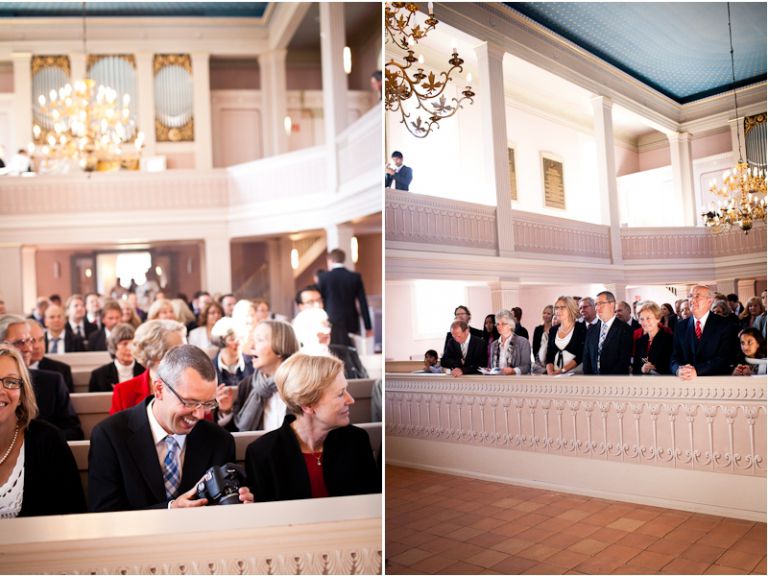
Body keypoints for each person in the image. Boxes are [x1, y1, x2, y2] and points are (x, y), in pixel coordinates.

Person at [88, 345, 254, 511]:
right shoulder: (109, 436)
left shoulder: (220, 441)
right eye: (190, 402)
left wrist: (239, 507)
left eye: (208, 404)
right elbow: (104, 514)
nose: (200, 415)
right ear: (159, 389)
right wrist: (170, 509)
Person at [245, 354, 379, 501]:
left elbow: (372, 504)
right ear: (308, 406)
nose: (351, 400)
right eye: (340, 394)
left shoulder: (357, 440)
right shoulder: (262, 453)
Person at [0, 345, 85, 517]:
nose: (1, 391)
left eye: (10, 381)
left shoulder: (48, 440)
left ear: (22, 392)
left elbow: (74, 515)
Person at [0, 315, 83, 440]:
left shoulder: (52, 382)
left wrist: (43, 442)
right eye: (19, 343)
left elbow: (74, 431)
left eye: (29, 341)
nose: (29, 348)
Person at [215, 320, 299, 433]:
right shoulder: (247, 385)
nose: (251, 346)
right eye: (253, 340)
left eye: (259, 340)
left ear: (280, 347)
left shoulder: (301, 385)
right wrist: (226, 411)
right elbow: (236, 435)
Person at [109, 319, 187, 414]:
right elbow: (116, 428)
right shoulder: (124, 392)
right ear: (156, 356)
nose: (186, 356)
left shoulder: (195, 385)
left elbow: (204, 426)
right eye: (179, 352)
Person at [671, 285, 738, 380]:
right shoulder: (680, 326)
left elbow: (724, 358)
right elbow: (674, 357)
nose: (692, 300)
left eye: (697, 296)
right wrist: (678, 370)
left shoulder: (724, 325)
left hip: (715, 384)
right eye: (690, 296)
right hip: (685, 383)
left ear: (710, 301)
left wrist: (697, 370)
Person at [292, 308, 369, 379]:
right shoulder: (296, 363)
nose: (327, 332)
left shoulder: (349, 353)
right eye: (319, 328)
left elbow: (366, 382)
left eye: (327, 326)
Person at [318, 249, 372, 347]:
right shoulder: (354, 277)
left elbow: (320, 301)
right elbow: (363, 303)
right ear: (343, 259)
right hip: (351, 321)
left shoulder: (323, 277)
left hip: (331, 321)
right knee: (351, 351)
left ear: (330, 260)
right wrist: (368, 327)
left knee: (333, 351)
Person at [583, 291, 633, 375]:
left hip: (614, 382)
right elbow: (586, 358)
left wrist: (607, 381)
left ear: (612, 304)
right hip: (593, 382)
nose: (597, 308)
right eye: (596, 304)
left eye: (601, 303)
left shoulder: (625, 329)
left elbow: (623, 361)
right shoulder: (591, 330)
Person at [89, 324, 145, 392]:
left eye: (133, 344)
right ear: (113, 347)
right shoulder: (99, 375)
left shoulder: (145, 371)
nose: (130, 348)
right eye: (124, 344)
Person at [27, 320, 74, 392]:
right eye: (32, 341)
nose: (37, 346)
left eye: (41, 339)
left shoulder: (61, 371)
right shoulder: (12, 370)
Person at [546, 296, 586, 375]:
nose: (558, 311)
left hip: (575, 375)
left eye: (562, 308)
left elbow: (581, 355)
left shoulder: (581, 328)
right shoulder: (553, 330)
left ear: (570, 309)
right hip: (555, 375)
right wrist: (550, 372)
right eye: (556, 308)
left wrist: (562, 371)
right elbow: (549, 355)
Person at [210, 317, 254, 388]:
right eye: (232, 339)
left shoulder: (253, 364)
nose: (238, 343)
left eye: (240, 338)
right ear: (221, 342)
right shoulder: (209, 368)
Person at [632, 301, 673, 375]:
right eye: (642, 319)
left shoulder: (669, 340)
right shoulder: (639, 342)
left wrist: (655, 368)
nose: (645, 322)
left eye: (648, 318)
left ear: (658, 319)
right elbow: (635, 368)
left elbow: (672, 366)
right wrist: (642, 369)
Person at [491, 309, 532, 375]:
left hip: (516, 383)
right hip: (497, 382)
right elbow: (494, 367)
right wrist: (490, 370)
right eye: (498, 324)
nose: (499, 326)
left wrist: (513, 371)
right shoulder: (494, 345)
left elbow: (526, 366)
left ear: (511, 325)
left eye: (503, 324)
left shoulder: (523, 342)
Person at [532, 305, 553, 374]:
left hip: (551, 362)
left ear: (553, 315)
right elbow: (535, 346)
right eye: (544, 313)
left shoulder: (555, 329)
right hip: (539, 362)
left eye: (548, 313)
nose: (545, 315)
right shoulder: (538, 329)